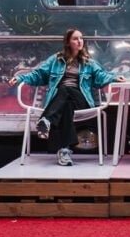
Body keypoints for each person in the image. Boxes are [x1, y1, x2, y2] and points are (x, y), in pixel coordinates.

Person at [9, 29, 124, 166]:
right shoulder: (56, 60)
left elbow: (101, 75)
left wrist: (114, 78)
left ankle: (47, 119)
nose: (80, 41)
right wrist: (20, 78)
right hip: (63, 103)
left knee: (64, 88)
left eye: (81, 38)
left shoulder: (88, 62)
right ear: (68, 42)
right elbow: (38, 74)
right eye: (75, 39)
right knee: (66, 107)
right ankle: (64, 151)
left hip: (81, 100)